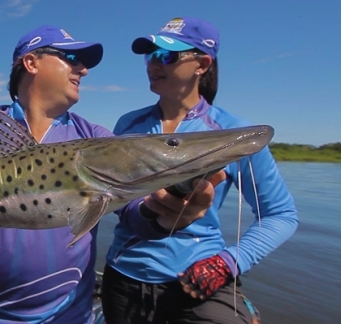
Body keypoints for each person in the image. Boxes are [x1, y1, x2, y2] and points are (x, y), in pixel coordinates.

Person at [0, 24, 220, 323]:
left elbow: (134, 213)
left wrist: (165, 211)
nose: (83, 69)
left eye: (83, 63)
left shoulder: (96, 137)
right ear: (31, 62)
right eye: (72, 58)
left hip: (71, 314)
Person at [100, 17, 299, 324]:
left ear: (202, 64)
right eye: (149, 55)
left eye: (167, 55)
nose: (154, 63)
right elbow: (115, 197)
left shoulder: (234, 134)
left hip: (197, 280)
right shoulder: (128, 124)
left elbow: (280, 214)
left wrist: (228, 262)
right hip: (124, 275)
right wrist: (145, 213)